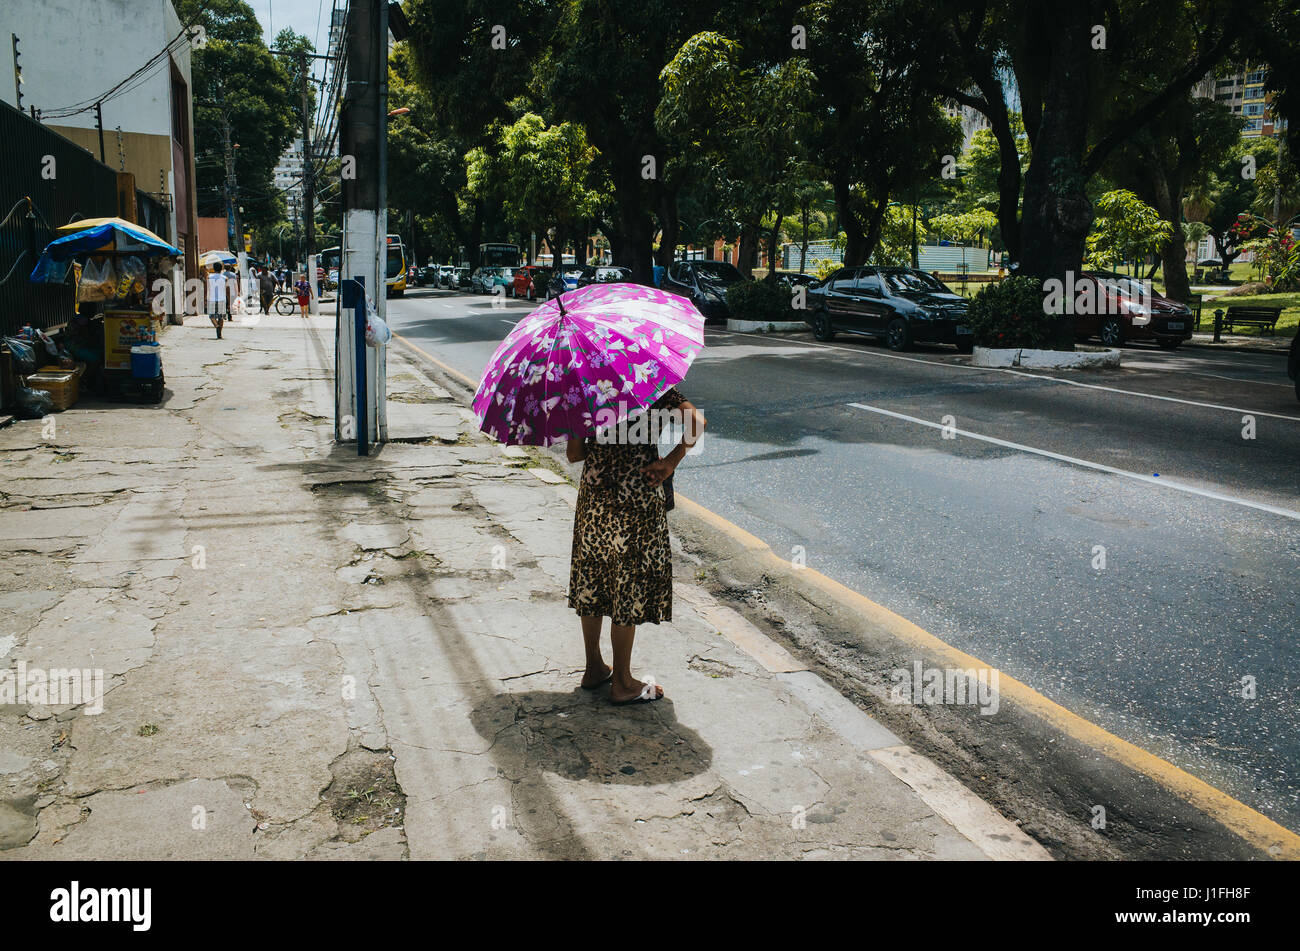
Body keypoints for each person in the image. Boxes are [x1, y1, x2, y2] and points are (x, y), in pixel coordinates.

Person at [565, 388, 706, 704]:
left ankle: (594, 667)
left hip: (595, 498)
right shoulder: (651, 385)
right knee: (626, 584)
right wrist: (671, 460)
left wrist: (602, 442)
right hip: (638, 496)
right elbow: (698, 421)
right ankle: (624, 682)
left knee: (595, 578)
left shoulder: (582, 391)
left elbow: (574, 454)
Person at [207, 262, 227, 338]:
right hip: (222, 299)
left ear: (213, 268)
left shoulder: (209, 277)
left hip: (212, 299)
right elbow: (227, 289)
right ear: (221, 268)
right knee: (221, 317)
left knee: (212, 316)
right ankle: (219, 335)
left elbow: (207, 288)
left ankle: (216, 325)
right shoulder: (225, 278)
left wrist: (205, 298)